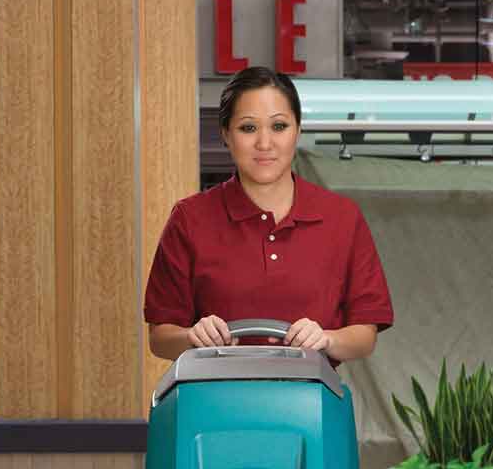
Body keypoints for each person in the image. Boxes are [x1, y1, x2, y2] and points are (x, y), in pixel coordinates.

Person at [144, 67, 394, 362]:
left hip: (312, 401)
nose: (265, 143)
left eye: (279, 126)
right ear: (226, 133)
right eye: (248, 128)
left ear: (298, 130)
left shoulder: (342, 218)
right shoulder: (189, 218)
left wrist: (327, 339)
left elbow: (365, 334)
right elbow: (160, 337)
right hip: (212, 399)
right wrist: (191, 336)